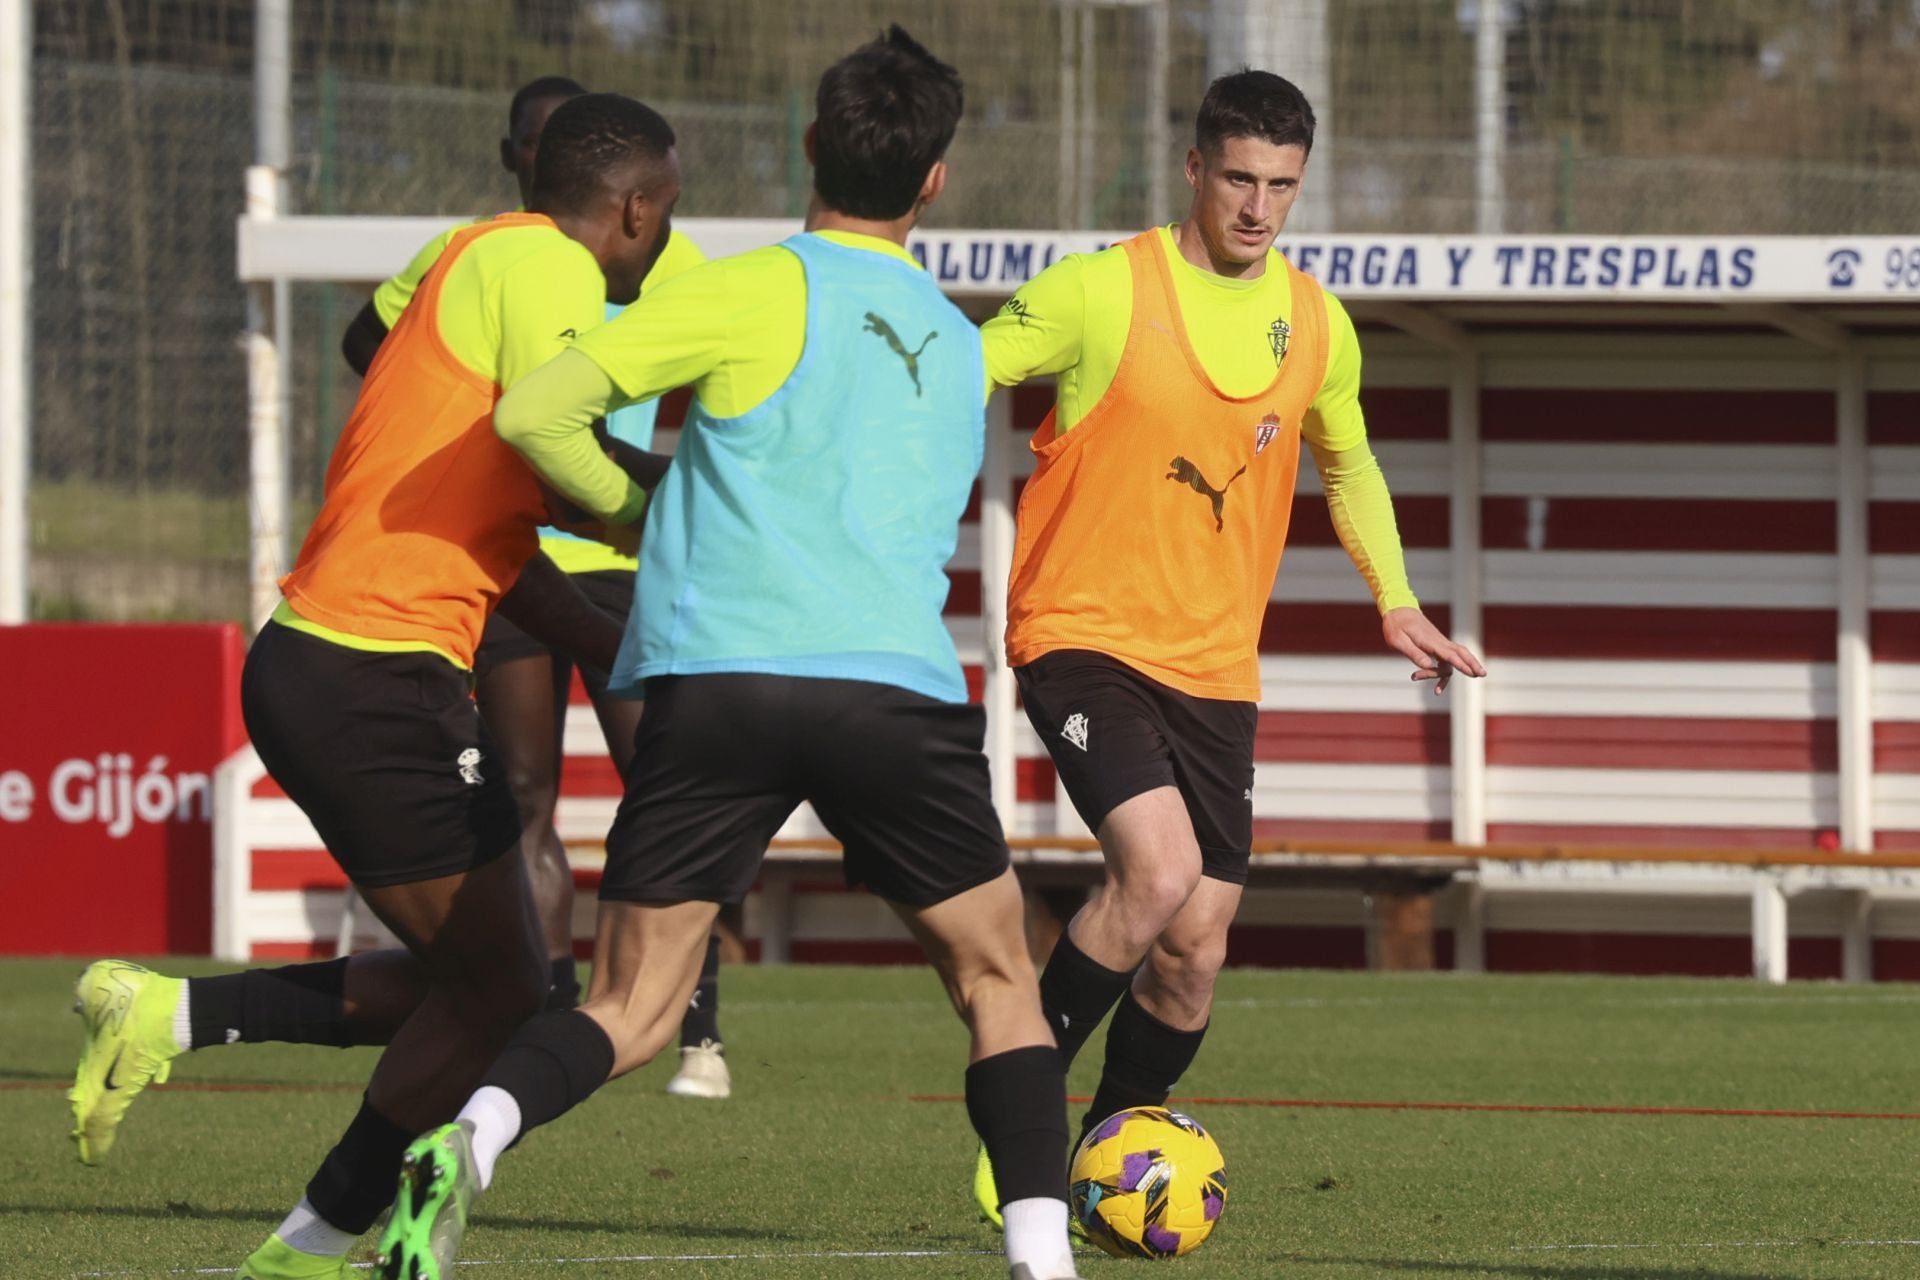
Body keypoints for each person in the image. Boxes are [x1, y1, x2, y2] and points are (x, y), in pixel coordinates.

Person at [371, 29, 1078, 1280]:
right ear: (935, 182)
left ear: (809, 144)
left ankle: (471, 1139)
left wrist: (623, 503)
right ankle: (1043, 1257)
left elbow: (539, 410)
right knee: (997, 975)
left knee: (630, 1008)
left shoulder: (743, 287)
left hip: (718, 687)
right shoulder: (962, 348)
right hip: (889, 694)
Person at [73, 95, 679, 1280]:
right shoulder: (548, 265)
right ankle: (310, 1246)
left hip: (344, 664)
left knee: (493, 975)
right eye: (664, 218)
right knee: (507, 985)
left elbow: (500, 549)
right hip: (369, 674)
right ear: (634, 209)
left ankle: (171, 1020)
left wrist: (620, 647)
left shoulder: (471, 251)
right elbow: (560, 462)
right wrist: (696, 509)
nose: (661, 240)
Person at [971, 69, 1486, 1219]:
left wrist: (1392, 596)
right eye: (1242, 179)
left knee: (1194, 949)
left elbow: (1346, 461)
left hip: (1216, 669)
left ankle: (1115, 1162)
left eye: (1284, 187)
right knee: (1153, 875)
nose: (1259, 207)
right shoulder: (1101, 291)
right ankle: (1021, 1122)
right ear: (1196, 169)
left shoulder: (1315, 321)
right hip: (1082, 634)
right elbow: (960, 374)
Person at [345, 76, 732, 1095]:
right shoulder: (484, 249)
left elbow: (708, 387)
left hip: (617, 562)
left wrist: (665, 493)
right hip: (515, 561)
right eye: (527, 146)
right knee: (525, 793)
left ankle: (697, 1021)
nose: (534, 164)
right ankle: (543, 1005)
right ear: (517, 155)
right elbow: (375, 346)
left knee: (669, 779)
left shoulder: (668, 259)